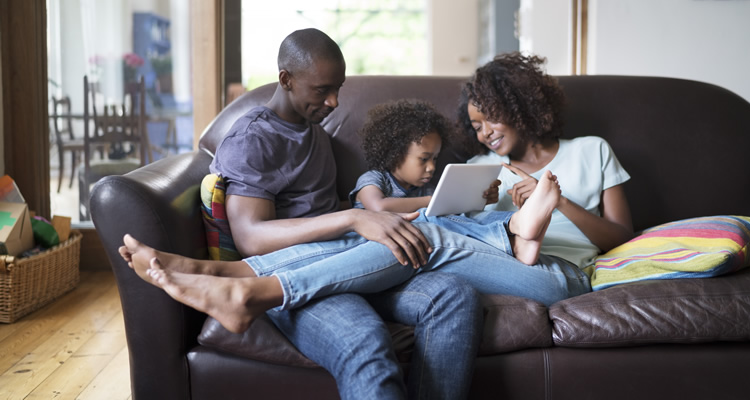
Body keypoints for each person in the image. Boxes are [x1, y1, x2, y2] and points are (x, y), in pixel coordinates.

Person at [125, 28, 485, 400]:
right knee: (365, 342)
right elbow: (252, 236)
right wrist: (353, 219)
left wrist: (371, 215)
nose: (333, 102)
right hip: (294, 276)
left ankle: (200, 271)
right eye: (322, 90)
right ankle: (223, 281)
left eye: (338, 89)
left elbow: (327, 210)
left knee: (455, 295)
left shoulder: (315, 133)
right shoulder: (254, 138)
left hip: (348, 261)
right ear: (286, 80)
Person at [458, 51, 635, 274]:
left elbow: (622, 239)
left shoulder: (592, 151)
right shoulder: (478, 168)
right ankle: (520, 235)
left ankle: (528, 238)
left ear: (519, 107)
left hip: (564, 270)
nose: (485, 133)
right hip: (500, 264)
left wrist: (557, 200)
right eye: (476, 127)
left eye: (492, 118)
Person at [350, 98, 555, 264]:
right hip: (372, 247)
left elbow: (457, 221)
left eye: (435, 159)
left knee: (466, 218)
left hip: (424, 247)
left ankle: (515, 225)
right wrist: (434, 200)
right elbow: (378, 207)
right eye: (424, 159)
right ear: (395, 154)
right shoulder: (374, 178)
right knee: (432, 217)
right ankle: (513, 236)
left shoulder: (426, 188)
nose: (431, 167)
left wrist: (477, 199)